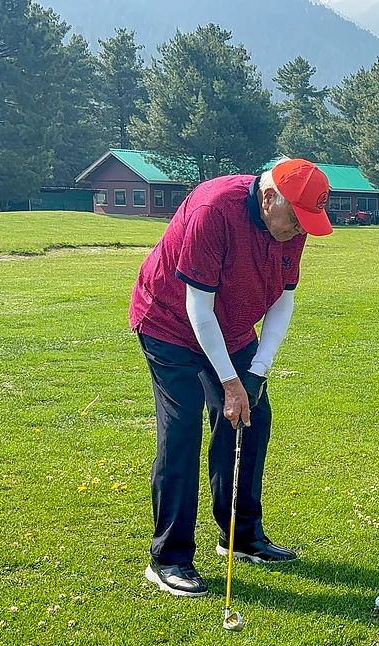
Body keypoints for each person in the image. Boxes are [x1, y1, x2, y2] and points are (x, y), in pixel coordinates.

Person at [129, 159, 334, 597]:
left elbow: (283, 301)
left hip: (234, 328)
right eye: (297, 220)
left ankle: (241, 537)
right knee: (181, 430)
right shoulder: (213, 210)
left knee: (251, 418)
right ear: (268, 198)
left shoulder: (289, 227)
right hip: (170, 325)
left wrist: (256, 374)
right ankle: (170, 557)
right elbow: (197, 310)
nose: (301, 231)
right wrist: (229, 382)